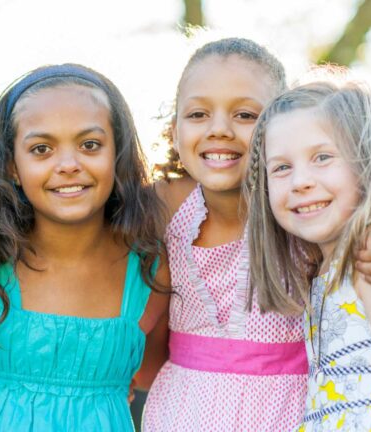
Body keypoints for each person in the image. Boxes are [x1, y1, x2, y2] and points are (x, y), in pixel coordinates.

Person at [0, 63, 171, 431]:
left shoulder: (150, 270)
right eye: (41, 149)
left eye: (90, 145)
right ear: (12, 166)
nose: (68, 164)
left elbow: (153, 376)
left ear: (118, 153)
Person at [142, 38, 309, 431]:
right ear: (175, 127)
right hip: (182, 411)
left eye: (246, 115)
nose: (219, 129)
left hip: (285, 411)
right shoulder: (165, 206)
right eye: (198, 114)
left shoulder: (303, 209)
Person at [245, 79, 371, 431]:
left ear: (364, 161)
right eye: (281, 168)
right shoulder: (323, 267)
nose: (300, 181)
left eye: (322, 157)